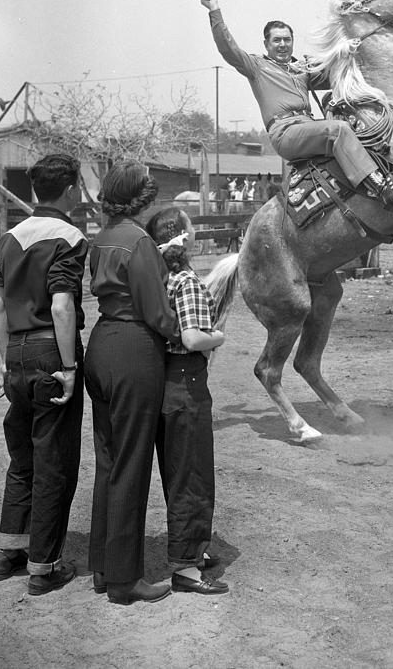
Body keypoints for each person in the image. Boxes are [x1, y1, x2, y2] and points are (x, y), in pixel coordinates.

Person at [0, 153, 87, 596]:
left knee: (22, 455)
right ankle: (43, 567)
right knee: (54, 461)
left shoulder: (7, 238)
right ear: (70, 190)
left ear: (33, 191)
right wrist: (68, 367)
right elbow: (63, 306)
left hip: (16, 352)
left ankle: (9, 550)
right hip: (51, 351)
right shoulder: (69, 237)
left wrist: (7, 359)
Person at [200, 0, 393, 206]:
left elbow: (335, 74)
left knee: (356, 126)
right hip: (285, 132)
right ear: (266, 44)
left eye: (287, 39)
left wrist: (351, 52)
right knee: (339, 130)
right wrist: (214, 9)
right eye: (276, 40)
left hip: (309, 128)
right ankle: (381, 188)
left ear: (292, 42)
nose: (282, 44)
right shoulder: (257, 67)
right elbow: (227, 48)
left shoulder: (302, 71)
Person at [85, 160, 180, 605]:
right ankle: (126, 580)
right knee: (132, 463)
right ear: (145, 197)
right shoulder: (139, 241)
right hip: (133, 349)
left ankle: (103, 567)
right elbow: (157, 312)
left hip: (101, 345)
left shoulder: (102, 237)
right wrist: (186, 332)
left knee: (109, 460)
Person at [146, 207, 229, 595]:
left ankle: (189, 549)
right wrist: (220, 337)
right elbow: (194, 338)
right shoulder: (189, 282)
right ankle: (187, 566)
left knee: (176, 471)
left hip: (162, 381)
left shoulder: (159, 280)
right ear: (184, 237)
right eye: (192, 227)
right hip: (186, 381)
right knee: (193, 474)